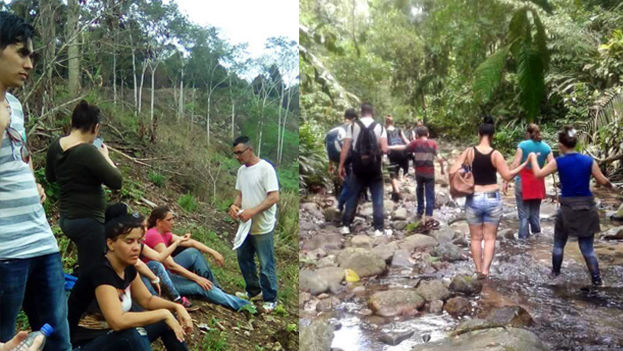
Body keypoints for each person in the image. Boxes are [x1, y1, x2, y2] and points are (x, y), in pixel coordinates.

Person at [0, 12, 71, 350]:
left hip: (41, 241)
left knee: (57, 340)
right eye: (21, 53)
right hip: (5, 251)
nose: (29, 63)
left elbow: (22, 155)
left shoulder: (14, 103)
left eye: (32, 55)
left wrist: (32, 183)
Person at [67, 212, 192, 351]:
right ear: (110, 243)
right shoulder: (101, 272)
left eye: (139, 242)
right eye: (129, 241)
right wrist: (164, 313)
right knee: (133, 334)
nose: (136, 247)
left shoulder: (128, 268)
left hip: (113, 338)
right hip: (85, 345)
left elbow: (148, 300)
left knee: (164, 320)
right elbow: (117, 321)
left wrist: (176, 307)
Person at [528, 126, 613, 286]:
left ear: (561, 144)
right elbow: (603, 181)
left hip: (567, 209)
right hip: (588, 209)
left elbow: (538, 174)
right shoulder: (589, 161)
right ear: (575, 142)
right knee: (587, 248)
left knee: (559, 244)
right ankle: (596, 280)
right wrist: (612, 188)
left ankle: (555, 275)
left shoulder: (559, 162)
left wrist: (533, 158)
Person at [46, 100, 123, 275]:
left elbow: (50, 177)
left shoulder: (55, 146)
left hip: (67, 218)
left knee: (86, 266)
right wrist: (105, 157)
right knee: (93, 273)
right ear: (96, 128)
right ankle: (80, 301)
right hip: (88, 221)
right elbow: (116, 181)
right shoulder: (88, 151)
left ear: (73, 123)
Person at [449, 116, 527, 277]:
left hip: (474, 197)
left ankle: (477, 270)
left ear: (479, 133)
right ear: (492, 135)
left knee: (476, 238)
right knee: (490, 238)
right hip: (492, 198)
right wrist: (523, 165)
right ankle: (486, 271)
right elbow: (507, 176)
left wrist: (465, 170)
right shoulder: (496, 154)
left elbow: (452, 171)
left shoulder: (469, 152)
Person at [145, 206, 251, 311]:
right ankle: (245, 306)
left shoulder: (165, 233)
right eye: (169, 220)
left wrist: (214, 253)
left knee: (193, 253)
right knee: (201, 286)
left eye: (173, 219)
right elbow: (171, 265)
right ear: (159, 222)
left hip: (167, 271)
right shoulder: (154, 235)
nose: (173, 222)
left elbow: (191, 242)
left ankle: (216, 290)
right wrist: (197, 279)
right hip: (161, 280)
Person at [104, 203, 195, 309]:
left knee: (156, 265)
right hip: (131, 279)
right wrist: (153, 277)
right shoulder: (109, 245)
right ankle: (160, 306)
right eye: (130, 241)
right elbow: (138, 264)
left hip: (137, 274)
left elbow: (159, 257)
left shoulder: (138, 242)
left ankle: (175, 300)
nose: (136, 247)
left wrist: (178, 242)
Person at [228, 136, 280, 312]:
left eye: (239, 153)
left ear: (249, 150)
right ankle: (253, 290)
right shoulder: (242, 171)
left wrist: (253, 211)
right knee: (244, 258)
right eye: (235, 153)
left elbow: (274, 197)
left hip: (262, 224)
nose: (237, 156)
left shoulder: (266, 169)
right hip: (246, 224)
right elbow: (241, 194)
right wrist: (235, 206)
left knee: (266, 263)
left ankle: (270, 298)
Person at [338, 102, 390, 237]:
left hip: (357, 167)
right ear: (372, 113)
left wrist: (341, 165)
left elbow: (346, 147)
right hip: (374, 167)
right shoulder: (380, 126)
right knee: (377, 197)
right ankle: (378, 228)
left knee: (353, 195)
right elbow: (385, 149)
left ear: (361, 112)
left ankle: (346, 226)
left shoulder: (353, 125)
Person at [506, 123, 553, 239]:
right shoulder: (546, 147)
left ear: (528, 133)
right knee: (535, 215)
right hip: (538, 182)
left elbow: (516, 163)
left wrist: (506, 179)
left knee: (523, 216)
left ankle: (523, 243)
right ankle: (537, 239)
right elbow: (552, 164)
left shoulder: (523, 145)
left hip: (523, 182)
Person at [390, 126, 444, 224]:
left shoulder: (415, 143)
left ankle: (420, 211)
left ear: (417, 135)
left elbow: (404, 148)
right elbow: (440, 158)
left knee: (419, 190)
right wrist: (442, 170)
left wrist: (389, 147)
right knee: (430, 193)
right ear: (428, 134)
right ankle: (428, 215)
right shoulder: (433, 143)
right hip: (429, 173)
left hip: (419, 172)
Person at [325, 109, 357, 211]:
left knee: (347, 181)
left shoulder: (333, 130)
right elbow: (349, 146)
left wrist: (331, 164)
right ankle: (340, 205)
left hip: (335, 158)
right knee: (350, 183)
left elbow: (327, 146)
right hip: (347, 158)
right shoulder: (351, 128)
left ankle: (343, 202)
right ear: (354, 118)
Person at [385, 114, 410, 202]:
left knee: (393, 174)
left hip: (392, 153)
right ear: (393, 122)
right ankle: (395, 193)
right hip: (403, 152)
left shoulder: (384, 131)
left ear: (386, 122)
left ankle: (397, 191)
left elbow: (383, 143)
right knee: (402, 172)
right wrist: (411, 145)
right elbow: (406, 140)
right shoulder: (399, 130)